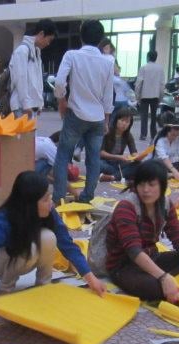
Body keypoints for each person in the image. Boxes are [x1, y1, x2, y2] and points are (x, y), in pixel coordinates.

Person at [0, 171, 105, 313]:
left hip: (23, 256)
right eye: (45, 199)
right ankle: (5, 290)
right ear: (30, 203)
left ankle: (43, 287)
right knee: (29, 245)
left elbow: (68, 245)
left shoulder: (49, 212)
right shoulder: (3, 219)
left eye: (49, 197)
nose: (50, 203)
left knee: (48, 237)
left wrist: (91, 278)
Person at [105, 160, 179, 302]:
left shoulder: (165, 204)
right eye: (141, 184)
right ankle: (167, 280)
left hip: (152, 257)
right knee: (156, 289)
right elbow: (133, 251)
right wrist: (163, 277)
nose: (145, 190)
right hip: (124, 266)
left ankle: (168, 280)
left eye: (151, 184)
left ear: (162, 186)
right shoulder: (126, 207)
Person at [52, 19, 114, 205]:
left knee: (63, 155)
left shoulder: (72, 55)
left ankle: (59, 197)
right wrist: (106, 120)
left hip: (76, 114)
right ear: (100, 38)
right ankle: (87, 197)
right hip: (97, 118)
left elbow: (59, 82)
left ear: (81, 35)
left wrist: (61, 100)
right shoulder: (108, 62)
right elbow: (108, 94)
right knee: (93, 158)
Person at [9, 19, 56, 118]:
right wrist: (26, 105)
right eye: (49, 39)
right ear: (41, 33)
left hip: (29, 106)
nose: (48, 43)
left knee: (29, 133)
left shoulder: (36, 51)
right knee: (24, 133)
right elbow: (20, 79)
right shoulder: (22, 51)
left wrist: (39, 104)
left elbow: (37, 80)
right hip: (21, 106)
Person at [100, 107, 140, 182]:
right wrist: (118, 157)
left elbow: (133, 152)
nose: (124, 124)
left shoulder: (128, 135)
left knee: (138, 164)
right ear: (116, 120)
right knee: (97, 164)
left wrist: (138, 157)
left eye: (127, 122)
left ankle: (113, 177)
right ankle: (122, 174)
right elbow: (101, 153)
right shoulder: (107, 131)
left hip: (118, 163)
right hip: (105, 161)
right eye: (122, 120)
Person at [135, 50, 165, 142]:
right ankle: (153, 134)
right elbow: (162, 84)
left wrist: (137, 96)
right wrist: (161, 96)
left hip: (144, 95)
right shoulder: (160, 69)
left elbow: (139, 83)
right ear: (156, 57)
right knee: (153, 116)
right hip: (155, 95)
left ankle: (143, 134)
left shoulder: (143, 68)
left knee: (144, 116)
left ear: (148, 57)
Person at [152, 114, 179, 180]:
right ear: (167, 131)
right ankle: (170, 174)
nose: (175, 137)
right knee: (153, 171)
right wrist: (174, 171)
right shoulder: (160, 140)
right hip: (159, 165)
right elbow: (164, 158)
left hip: (171, 165)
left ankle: (173, 174)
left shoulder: (178, 139)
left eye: (177, 135)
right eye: (173, 135)